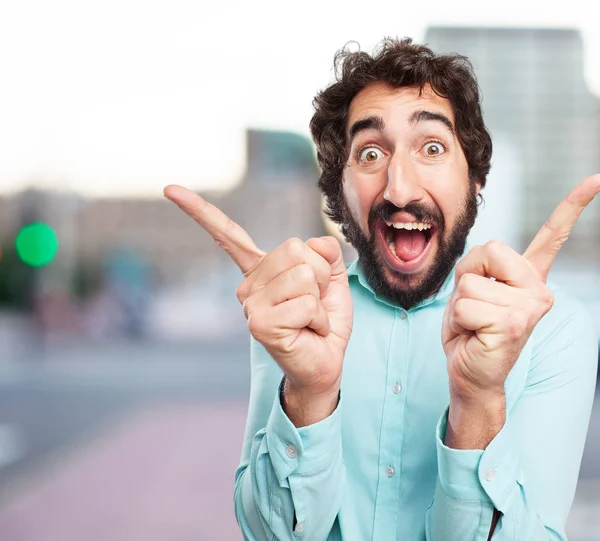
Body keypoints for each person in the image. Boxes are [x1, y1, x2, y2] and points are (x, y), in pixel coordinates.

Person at [164, 38, 599, 540]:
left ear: (475, 177)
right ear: (339, 191)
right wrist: (308, 394)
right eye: (369, 153)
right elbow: (270, 534)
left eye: (432, 148)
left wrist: (479, 401)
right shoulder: (298, 312)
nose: (399, 189)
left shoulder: (555, 327)